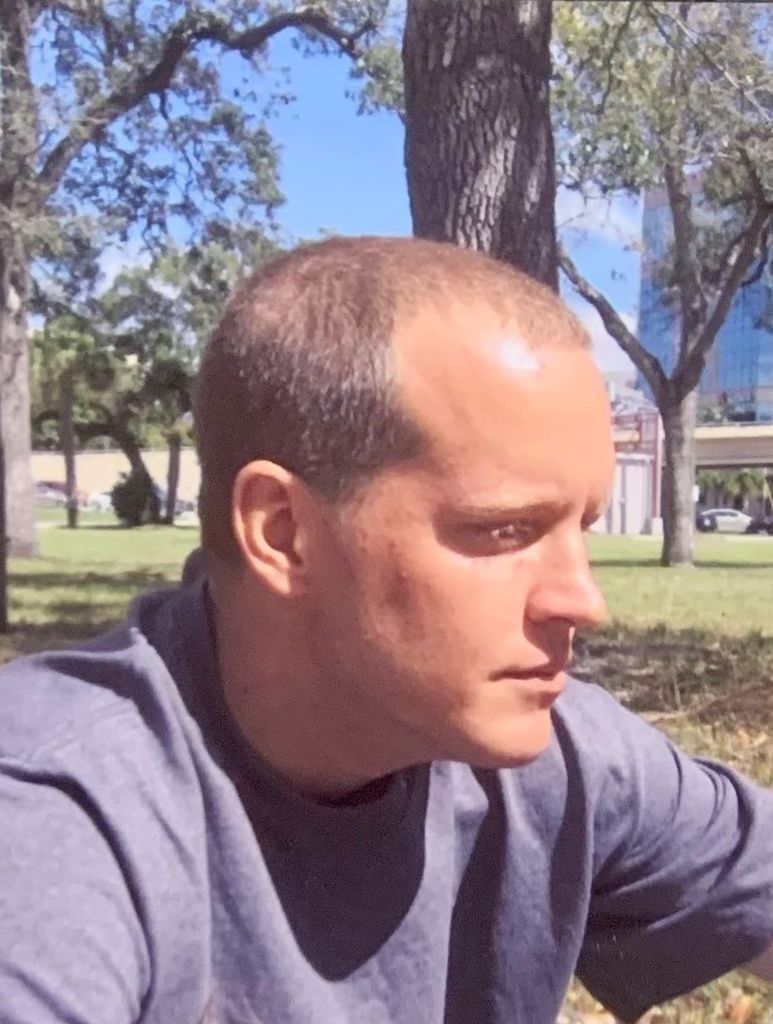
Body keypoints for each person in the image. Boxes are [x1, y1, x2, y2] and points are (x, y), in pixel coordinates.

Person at [1, 237, 771, 1024]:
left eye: (582, 527)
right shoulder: (50, 823)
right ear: (282, 532)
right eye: (503, 530)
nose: (582, 600)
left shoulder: (556, 762)